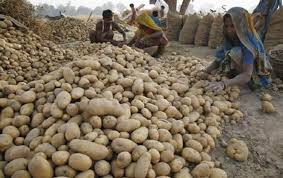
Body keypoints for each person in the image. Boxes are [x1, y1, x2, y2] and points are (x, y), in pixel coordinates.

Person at [203, 7, 272, 93]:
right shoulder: (229, 37)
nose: (229, 30)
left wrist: (224, 84)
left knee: (236, 52)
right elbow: (218, 60)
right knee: (229, 53)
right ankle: (236, 78)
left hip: (254, 76)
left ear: (242, 25)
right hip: (242, 71)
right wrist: (205, 71)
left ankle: (246, 84)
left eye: (233, 26)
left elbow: (247, 74)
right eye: (227, 26)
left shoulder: (249, 42)